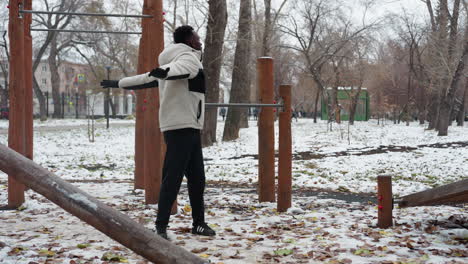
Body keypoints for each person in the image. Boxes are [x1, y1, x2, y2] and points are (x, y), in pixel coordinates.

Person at [100, 25, 215, 240]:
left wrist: (120, 83)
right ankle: (161, 227)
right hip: (183, 126)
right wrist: (166, 73)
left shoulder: (172, 61)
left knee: (196, 178)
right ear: (189, 40)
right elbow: (181, 70)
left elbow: (147, 78)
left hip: (186, 126)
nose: (200, 41)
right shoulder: (188, 58)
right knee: (173, 177)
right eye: (197, 38)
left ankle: (198, 223)